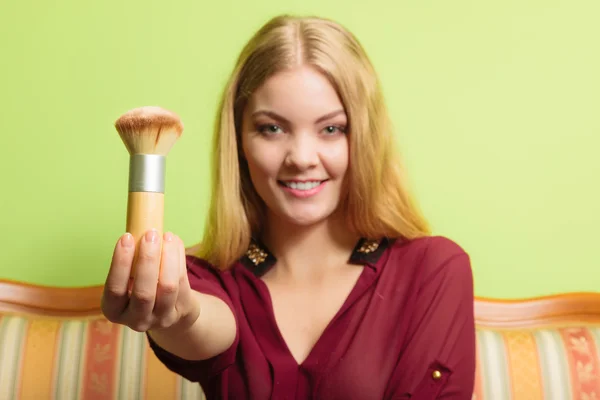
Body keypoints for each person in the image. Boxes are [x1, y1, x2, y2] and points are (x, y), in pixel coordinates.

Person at [101, 14, 476, 400]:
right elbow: (197, 321)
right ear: (240, 143)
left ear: (364, 138)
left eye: (331, 128)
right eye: (272, 128)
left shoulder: (433, 271)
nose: (301, 158)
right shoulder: (210, 279)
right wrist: (174, 313)